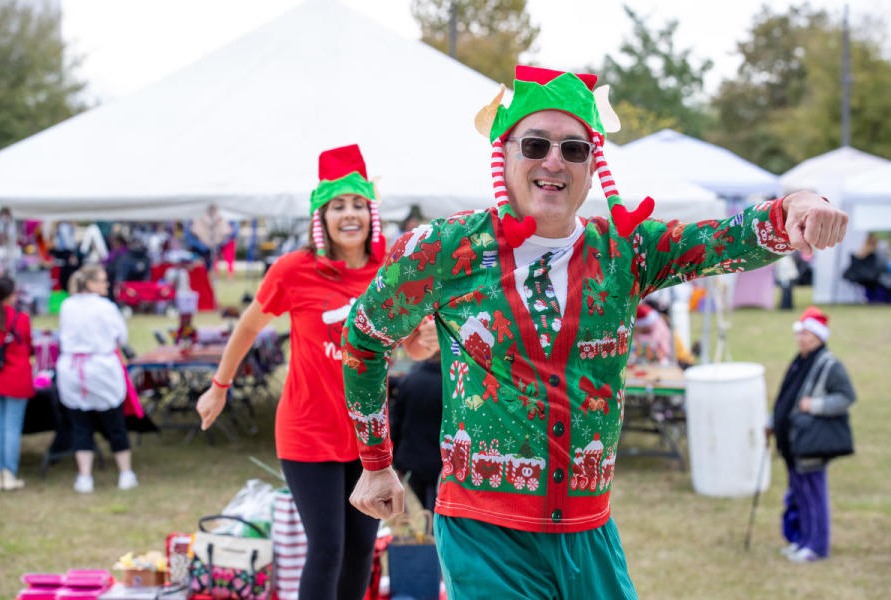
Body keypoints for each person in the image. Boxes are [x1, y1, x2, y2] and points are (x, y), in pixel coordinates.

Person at [341, 65, 849, 598]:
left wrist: (796, 205)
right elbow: (365, 337)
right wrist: (376, 463)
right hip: (483, 530)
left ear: (592, 163)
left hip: (589, 531)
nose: (554, 161)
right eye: (535, 145)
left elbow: (724, 239)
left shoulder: (625, 252)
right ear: (505, 153)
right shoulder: (443, 250)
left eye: (574, 149)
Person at [196, 144, 438, 600]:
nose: (349, 215)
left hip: (367, 434)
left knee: (362, 551)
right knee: (327, 548)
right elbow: (249, 327)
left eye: (357, 205)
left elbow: (410, 346)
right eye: (337, 206)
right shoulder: (294, 270)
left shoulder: (388, 275)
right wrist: (218, 386)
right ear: (320, 218)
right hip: (307, 432)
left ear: (371, 214)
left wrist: (423, 344)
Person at [766, 307, 855, 563]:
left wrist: (815, 405)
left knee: (813, 494)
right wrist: (773, 421)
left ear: (819, 336)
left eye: (806, 334)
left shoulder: (829, 364)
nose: (801, 338)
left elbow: (846, 397)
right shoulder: (800, 360)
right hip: (792, 443)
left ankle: (817, 545)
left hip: (811, 442)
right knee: (798, 493)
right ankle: (801, 539)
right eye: (800, 333)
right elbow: (786, 396)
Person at [56, 265, 138, 493]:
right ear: (89, 283)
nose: (106, 284)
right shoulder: (105, 307)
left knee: (81, 424)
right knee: (114, 423)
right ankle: (125, 473)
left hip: (73, 369)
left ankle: (85, 477)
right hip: (100, 368)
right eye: (102, 280)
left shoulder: (67, 305)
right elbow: (122, 336)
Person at [0, 275, 34, 491]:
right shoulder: (21, 318)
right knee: (11, 427)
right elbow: (28, 344)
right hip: (16, 378)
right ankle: (8, 473)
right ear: (11, 294)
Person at [390, 351, 443, 511]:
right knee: (436, 509)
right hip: (441, 460)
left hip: (411, 459)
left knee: (427, 508)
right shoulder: (451, 383)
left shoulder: (409, 379)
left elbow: (396, 420)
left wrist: (396, 459)